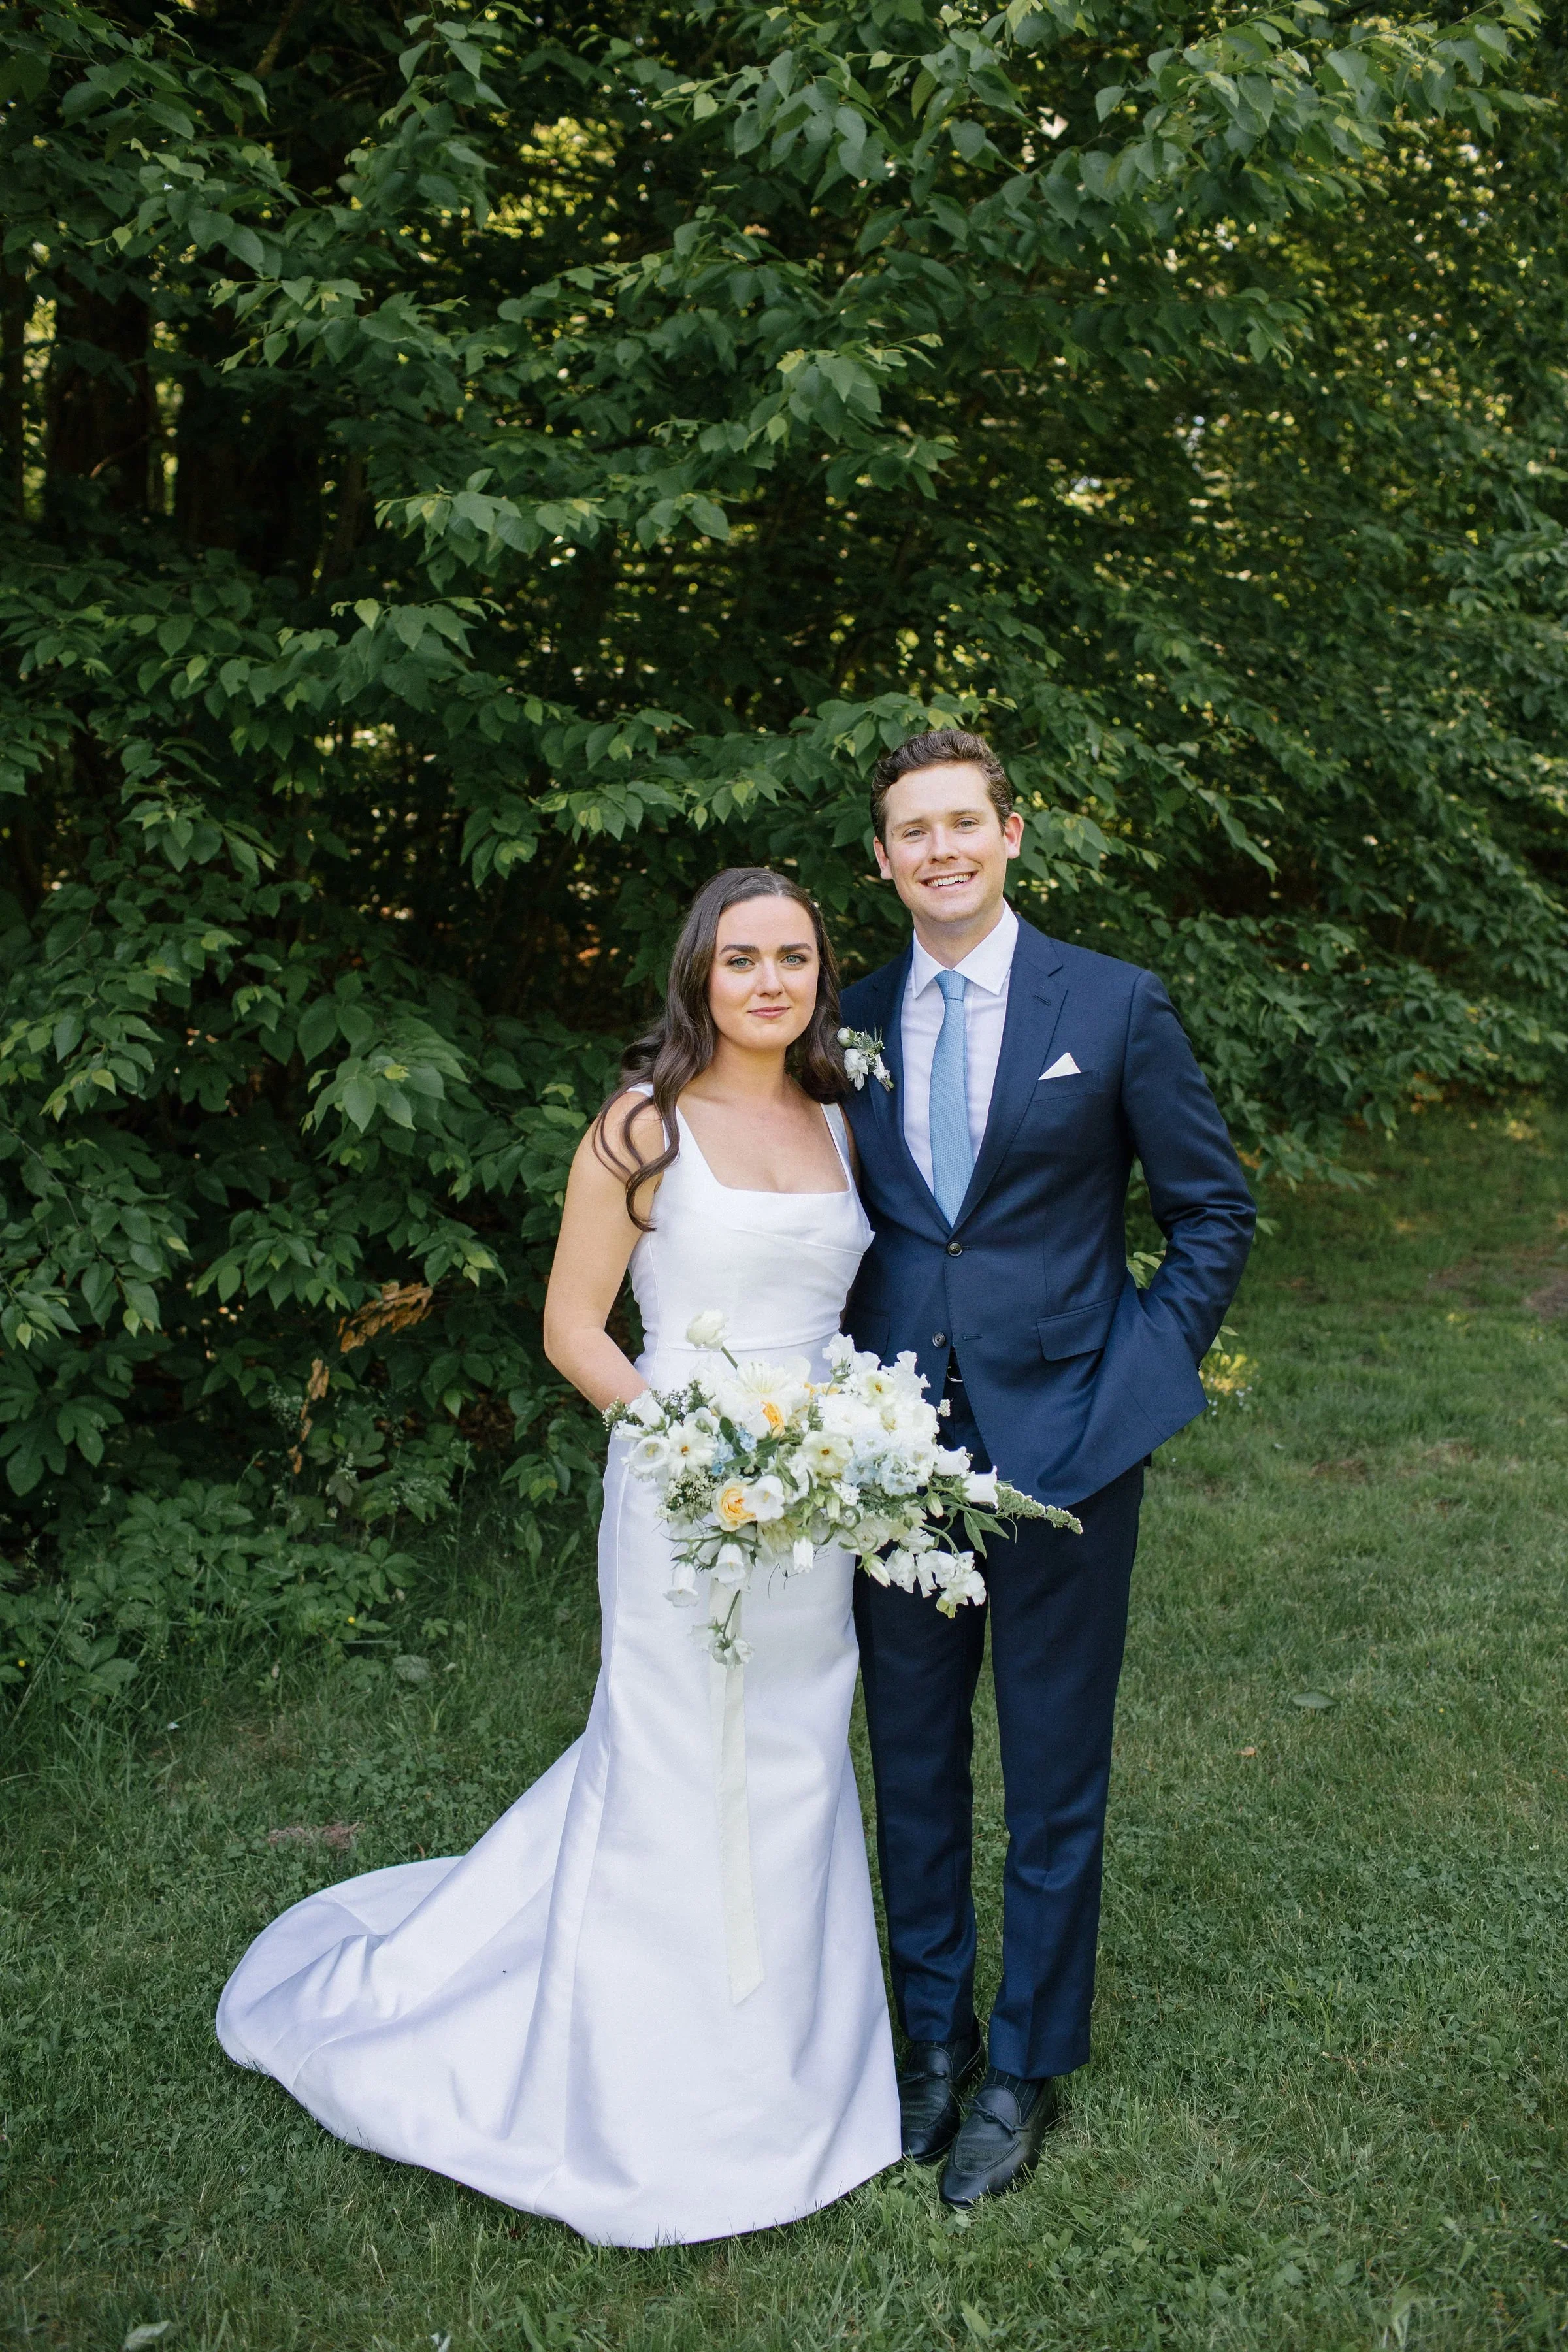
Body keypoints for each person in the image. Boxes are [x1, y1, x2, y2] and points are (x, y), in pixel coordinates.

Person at [216, 868, 900, 2247]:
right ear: (698, 974)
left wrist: (835, 1449)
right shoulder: (642, 1127)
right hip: (682, 1486)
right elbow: (576, 1332)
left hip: (819, 1501)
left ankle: (797, 2078)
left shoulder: (841, 1116)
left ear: (823, 978)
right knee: (672, 1764)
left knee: (796, 1758)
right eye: (742, 958)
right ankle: (641, 2105)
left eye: (797, 960)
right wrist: (707, 1451)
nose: (771, 982)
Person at [839, 728, 1255, 2209]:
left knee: (1056, 1766)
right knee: (915, 1760)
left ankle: (1026, 2063)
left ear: (1014, 833)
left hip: (1070, 1437)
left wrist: (1137, 1387)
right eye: (912, 831)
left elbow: (1214, 1210)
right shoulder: (850, 1019)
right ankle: (933, 2040)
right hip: (890, 1447)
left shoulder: (1116, 1004)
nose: (941, 849)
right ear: (883, 862)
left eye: (964, 822)